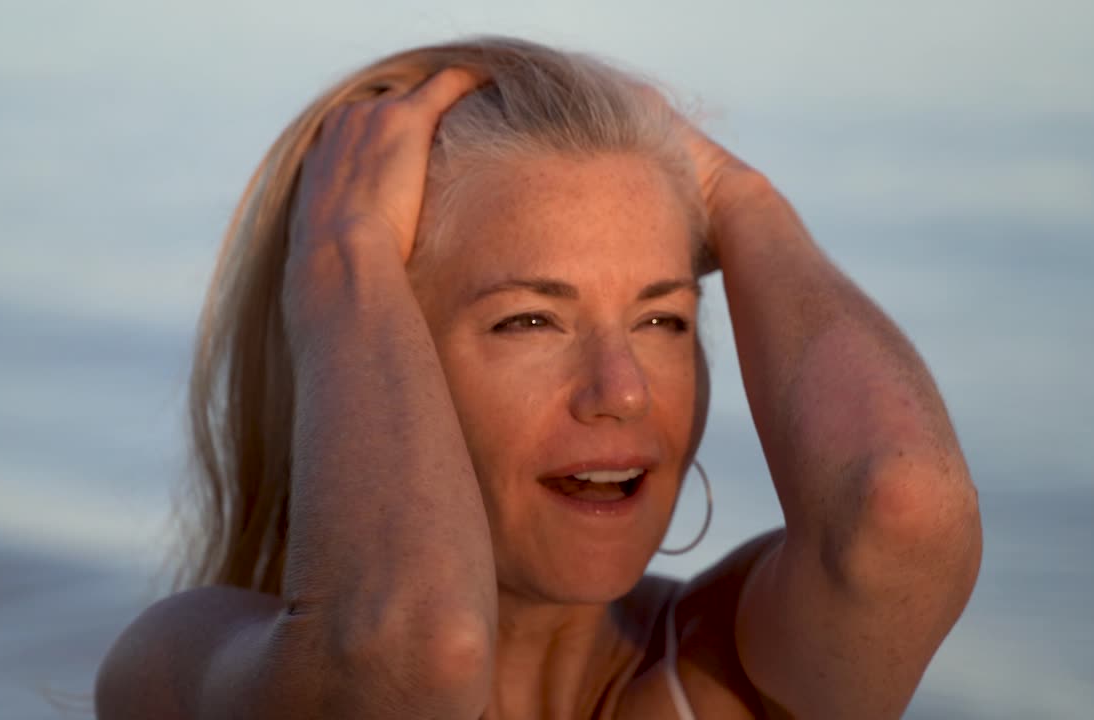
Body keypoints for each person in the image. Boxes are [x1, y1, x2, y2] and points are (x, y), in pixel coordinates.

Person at [96, 37, 982, 719]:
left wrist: (741, 195)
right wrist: (343, 259)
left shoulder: (723, 675)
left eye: (662, 318)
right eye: (531, 319)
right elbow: (409, 653)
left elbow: (905, 510)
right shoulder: (186, 670)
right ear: (369, 360)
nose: (623, 388)